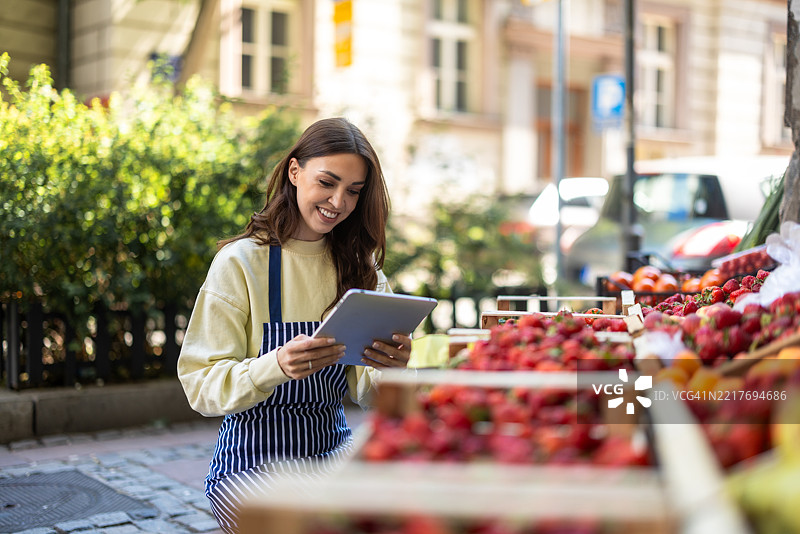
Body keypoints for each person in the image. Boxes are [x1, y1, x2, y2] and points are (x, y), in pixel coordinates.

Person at [177, 117, 411, 533]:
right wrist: (275, 366)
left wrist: (391, 369)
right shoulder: (240, 263)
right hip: (250, 463)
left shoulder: (362, 271)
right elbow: (200, 385)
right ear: (294, 171)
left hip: (335, 454)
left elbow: (371, 397)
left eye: (353, 191)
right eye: (327, 182)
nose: (338, 201)